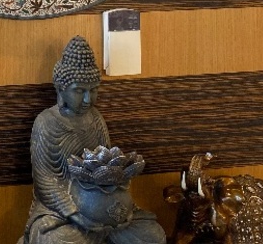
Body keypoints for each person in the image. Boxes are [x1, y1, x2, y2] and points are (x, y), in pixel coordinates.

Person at [21, 36, 165, 244]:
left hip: (101, 205)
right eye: (79, 91)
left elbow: (107, 165)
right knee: (60, 241)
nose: (88, 99)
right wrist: (74, 213)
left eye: (94, 90)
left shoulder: (96, 118)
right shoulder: (46, 122)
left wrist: (117, 207)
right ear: (61, 88)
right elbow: (46, 180)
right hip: (62, 214)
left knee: (152, 235)